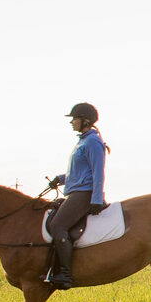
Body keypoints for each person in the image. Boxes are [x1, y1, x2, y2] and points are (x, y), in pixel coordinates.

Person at [44, 102, 108, 289]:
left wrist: (96, 199)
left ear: (85, 121)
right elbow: (79, 172)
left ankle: (65, 274)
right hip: (76, 191)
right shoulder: (83, 141)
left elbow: (98, 173)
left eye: (74, 119)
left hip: (84, 194)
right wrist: (61, 178)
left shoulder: (93, 142)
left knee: (57, 224)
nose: (72, 122)